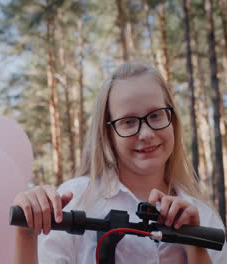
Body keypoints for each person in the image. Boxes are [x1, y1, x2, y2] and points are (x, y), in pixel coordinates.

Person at [13, 62, 227, 264]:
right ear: (108, 134)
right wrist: (27, 233)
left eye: (156, 115)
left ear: (173, 119)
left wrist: (195, 244)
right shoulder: (77, 200)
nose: (146, 133)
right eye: (128, 122)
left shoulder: (204, 217)